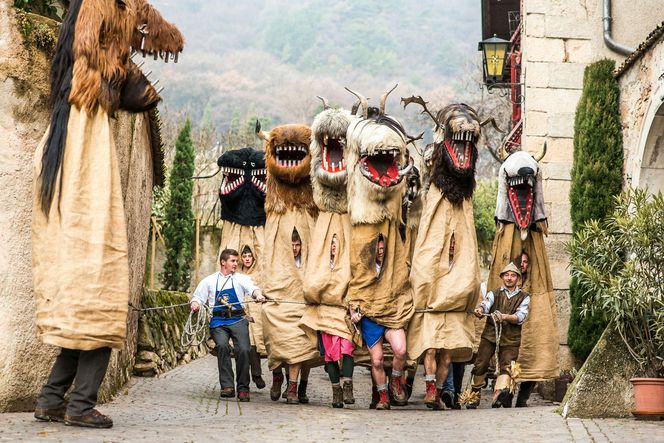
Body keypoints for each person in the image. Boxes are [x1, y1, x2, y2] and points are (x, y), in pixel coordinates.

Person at [190, 249, 266, 402]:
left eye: (236, 261)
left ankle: (243, 389)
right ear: (223, 262)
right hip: (218, 321)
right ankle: (227, 386)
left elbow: (253, 289)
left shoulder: (241, 279)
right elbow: (197, 297)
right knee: (223, 347)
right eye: (233, 261)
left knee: (244, 349)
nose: (236, 264)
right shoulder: (209, 281)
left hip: (238, 319)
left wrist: (258, 295)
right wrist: (195, 304)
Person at [468, 262, 530, 409]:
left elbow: (520, 316)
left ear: (518, 278)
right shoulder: (494, 293)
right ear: (502, 277)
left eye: (513, 275)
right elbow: (485, 304)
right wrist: (480, 310)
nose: (509, 278)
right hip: (490, 335)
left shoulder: (524, 297)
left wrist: (505, 317)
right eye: (506, 275)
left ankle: (499, 395)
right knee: (480, 364)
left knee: (507, 366)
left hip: (511, 338)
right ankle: (473, 396)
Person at [239, 246, 266, 389]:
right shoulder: (237, 274)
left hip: (256, 312)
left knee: (255, 342)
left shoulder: (260, 272)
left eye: (250, 256)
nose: (247, 259)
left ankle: (257, 374)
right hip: (242, 311)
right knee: (246, 343)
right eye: (244, 256)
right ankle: (247, 378)